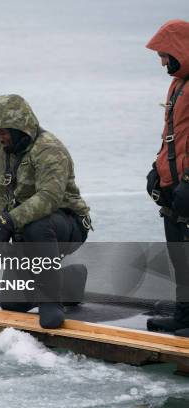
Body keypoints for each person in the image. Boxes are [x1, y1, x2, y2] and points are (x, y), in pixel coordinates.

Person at [0, 94, 92, 329]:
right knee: (12, 303)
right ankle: (70, 279)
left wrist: (9, 222)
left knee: (38, 225)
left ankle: (51, 301)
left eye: (3, 132)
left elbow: (49, 198)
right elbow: (2, 192)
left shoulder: (49, 149)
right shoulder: (3, 152)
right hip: (25, 228)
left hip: (67, 224)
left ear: (19, 128)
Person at [144, 20, 189, 337]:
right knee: (179, 255)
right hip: (174, 186)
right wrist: (156, 170)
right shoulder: (177, 85)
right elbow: (172, 135)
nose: (162, 61)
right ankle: (185, 313)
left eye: (164, 54)